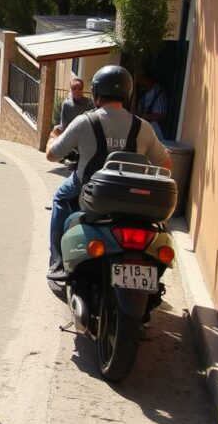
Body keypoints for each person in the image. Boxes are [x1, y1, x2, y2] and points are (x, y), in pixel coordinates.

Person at [44, 65, 172, 281]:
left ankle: (57, 261)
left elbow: (52, 156)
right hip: (132, 194)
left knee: (59, 198)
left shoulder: (84, 121)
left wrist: (52, 136)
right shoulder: (142, 127)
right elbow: (166, 164)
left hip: (89, 189)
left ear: (96, 93)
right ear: (126, 93)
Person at [135, 71, 169, 139]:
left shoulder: (157, 91)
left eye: (141, 78)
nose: (140, 81)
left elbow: (162, 115)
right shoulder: (144, 92)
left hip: (155, 132)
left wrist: (144, 117)